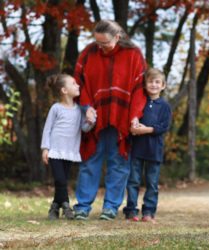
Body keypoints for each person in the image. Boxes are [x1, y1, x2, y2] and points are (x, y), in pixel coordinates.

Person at [73, 19, 147, 220]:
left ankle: (111, 207)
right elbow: (80, 84)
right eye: (97, 42)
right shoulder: (88, 53)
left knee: (118, 162)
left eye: (104, 42)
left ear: (117, 36)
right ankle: (82, 206)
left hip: (121, 116)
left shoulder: (133, 54)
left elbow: (139, 89)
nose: (100, 47)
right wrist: (86, 107)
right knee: (90, 160)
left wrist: (134, 116)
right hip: (94, 117)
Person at [41, 74, 95, 220]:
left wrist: (90, 121)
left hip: (70, 151)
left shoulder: (79, 110)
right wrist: (45, 148)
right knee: (60, 180)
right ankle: (66, 205)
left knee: (62, 180)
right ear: (64, 90)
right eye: (74, 83)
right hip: (55, 150)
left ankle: (54, 208)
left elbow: (84, 128)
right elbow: (47, 129)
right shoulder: (56, 108)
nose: (77, 86)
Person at [123, 68, 172, 223]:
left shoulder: (164, 106)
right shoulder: (139, 103)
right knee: (133, 181)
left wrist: (146, 130)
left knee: (152, 183)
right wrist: (135, 126)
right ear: (144, 84)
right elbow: (133, 120)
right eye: (150, 81)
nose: (153, 85)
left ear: (163, 85)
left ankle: (149, 212)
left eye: (157, 82)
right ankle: (131, 211)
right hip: (137, 148)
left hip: (154, 150)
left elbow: (164, 127)